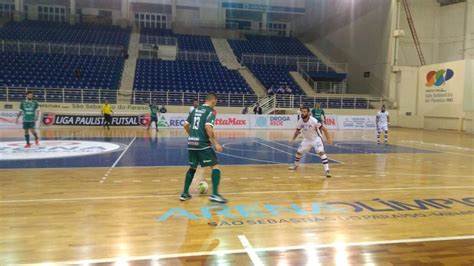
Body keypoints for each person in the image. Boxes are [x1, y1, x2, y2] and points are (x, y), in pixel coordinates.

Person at [180, 93, 228, 203]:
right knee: (215, 166)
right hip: (202, 144)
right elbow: (208, 127)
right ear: (213, 101)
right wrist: (215, 143)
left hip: (191, 143)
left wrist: (191, 135)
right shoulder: (211, 111)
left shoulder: (195, 110)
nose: (215, 105)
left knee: (192, 168)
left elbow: (185, 125)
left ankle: (184, 193)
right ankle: (215, 194)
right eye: (216, 102)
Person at [289, 107, 332, 178]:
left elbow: (324, 129)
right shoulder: (300, 121)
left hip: (316, 139)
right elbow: (297, 131)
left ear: (308, 113)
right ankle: (295, 165)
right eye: (302, 112)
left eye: (305, 112)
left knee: (321, 152)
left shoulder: (314, 121)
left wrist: (329, 139)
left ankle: (327, 170)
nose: (303, 113)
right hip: (307, 139)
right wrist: (292, 139)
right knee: (299, 152)